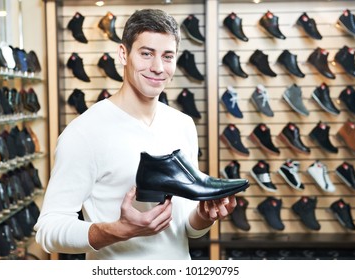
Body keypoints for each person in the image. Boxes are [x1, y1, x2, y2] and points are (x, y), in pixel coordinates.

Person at [34, 8, 237, 260]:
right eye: (146, 54)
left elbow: (185, 228)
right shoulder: (84, 132)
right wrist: (117, 231)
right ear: (123, 54)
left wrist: (204, 216)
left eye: (167, 56)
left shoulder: (182, 124)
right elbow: (48, 230)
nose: (158, 67)